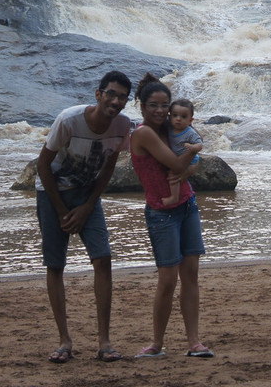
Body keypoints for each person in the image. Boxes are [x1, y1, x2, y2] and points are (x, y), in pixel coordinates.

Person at [36, 71, 133, 364]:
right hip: (52, 193)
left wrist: (88, 207)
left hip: (88, 195)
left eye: (122, 97)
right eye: (111, 94)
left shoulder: (122, 125)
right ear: (98, 94)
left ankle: (104, 342)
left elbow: (108, 169)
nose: (115, 101)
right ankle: (64, 341)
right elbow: (42, 166)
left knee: (103, 259)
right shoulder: (69, 120)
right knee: (55, 265)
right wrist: (64, 212)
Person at [129, 73, 215, 358]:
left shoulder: (172, 127)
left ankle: (194, 341)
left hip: (187, 205)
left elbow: (194, 148)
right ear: (141, 107)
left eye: (164, 105)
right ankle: (156, 344)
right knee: (167, 280)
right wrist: (191, 159)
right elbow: (179, 163)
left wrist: (191, 162)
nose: (160, 110)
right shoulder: (143, 133)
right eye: (153, 105)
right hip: (162, 214)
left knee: (190, 275)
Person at [162, 98, 203, 208]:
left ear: (190, 120)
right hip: (177, 157)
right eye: (175, 115)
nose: (178, 119)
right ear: (169, 116)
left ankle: (174, 197)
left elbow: (200, 143)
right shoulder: (169, 128)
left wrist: (193, 148)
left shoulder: (190, 132)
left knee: (173, 174)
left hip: (190, 159)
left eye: (183, 117)